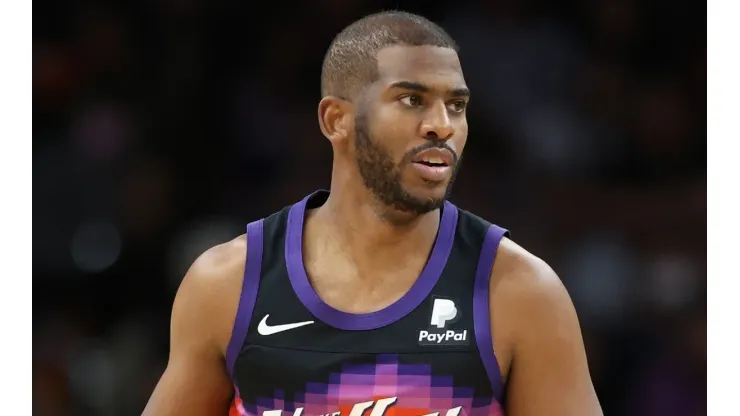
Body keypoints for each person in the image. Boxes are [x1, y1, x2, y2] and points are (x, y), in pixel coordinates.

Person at [143, 10, 602, 416]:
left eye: (456, 106)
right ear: (336, 120)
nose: (442, 124)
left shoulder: (520, 292)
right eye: (412, 100)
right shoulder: (230, 282)